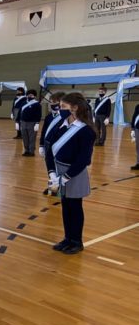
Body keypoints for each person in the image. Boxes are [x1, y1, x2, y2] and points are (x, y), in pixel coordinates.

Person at [45, 92, 96, 255]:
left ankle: (76, 241)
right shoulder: (61, 124)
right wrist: (52, 173)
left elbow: (84, 160)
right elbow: (49, 150)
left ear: (75, 108)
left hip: (74, 173)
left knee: (75, 207)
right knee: (65, 206)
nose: (60, 110)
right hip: (58, 172)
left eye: (63, 107)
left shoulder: (86, 131)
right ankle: (67, 238)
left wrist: (65, 177)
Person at [39, 92, 66, 196]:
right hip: (48, 145)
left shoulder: (65, 117)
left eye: (55, 102)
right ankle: (52, 188)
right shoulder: (48, 117)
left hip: (59, 146)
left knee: (59, 168)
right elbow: (44, 131)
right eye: (51, 102)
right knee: (50, 167)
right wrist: (41, 145)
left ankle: (61, 188)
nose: (52, 104)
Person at [18, 89, 42, 157]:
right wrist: (18, 121)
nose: (29, 96)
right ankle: (26, 150)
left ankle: (31, 151)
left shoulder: (37, 104)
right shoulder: (23, 103)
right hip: (23, 122)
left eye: (31, 95)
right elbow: (20, 112)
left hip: (32, 123)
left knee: (32, 138)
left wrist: (37, 123)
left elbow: (38, 114)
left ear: (34, 96)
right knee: (25, 137)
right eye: (28, 94)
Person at [131, 103, 139, 170]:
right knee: (138, 147)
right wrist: (132, 129)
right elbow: (134, 117)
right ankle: (138, 163)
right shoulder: (137, 106)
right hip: (137, 128)